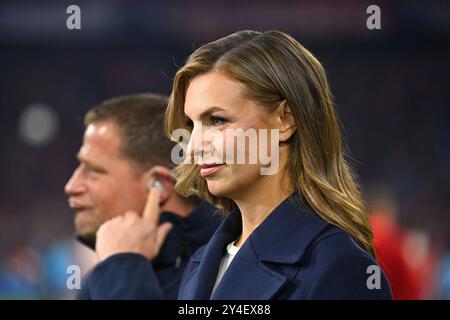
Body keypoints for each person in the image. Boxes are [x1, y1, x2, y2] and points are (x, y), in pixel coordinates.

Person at [97, 30, 393, 299]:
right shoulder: (200, 264)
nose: (195, 146)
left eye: (217, 120)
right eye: (192, 125)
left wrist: (124, 271)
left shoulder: (341, 268)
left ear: (285, 119)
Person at [64, 93, 221, 299]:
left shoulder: (226, 271)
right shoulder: (104, 275)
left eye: (93, 171)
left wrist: (124, 265)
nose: (71, 186)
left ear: (159, 186)